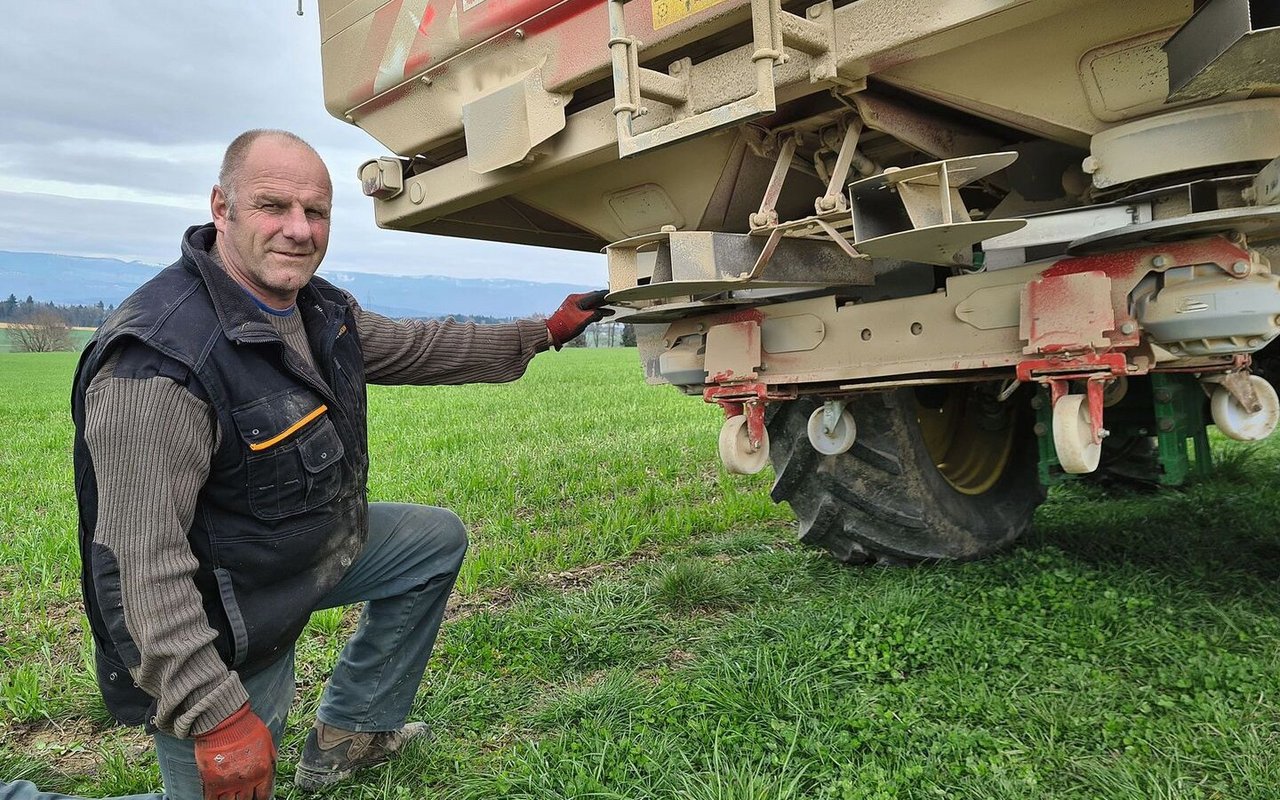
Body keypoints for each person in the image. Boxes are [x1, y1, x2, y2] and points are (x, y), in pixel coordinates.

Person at [67, 129, 611, 800]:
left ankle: (351, 733)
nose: (298, 230)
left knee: (430, 542)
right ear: (221, 206)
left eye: (315, 212)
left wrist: (541, 334)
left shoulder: (319, 310)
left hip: (302, 555)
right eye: (274, 207)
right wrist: (215, 713)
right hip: (225, 622)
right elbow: (140, 571)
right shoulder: (160, 364)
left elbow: (418, 347)